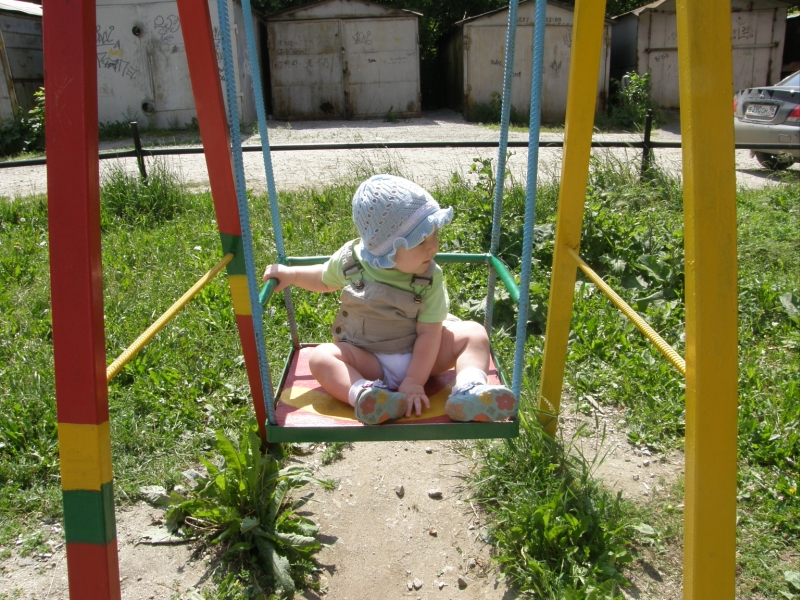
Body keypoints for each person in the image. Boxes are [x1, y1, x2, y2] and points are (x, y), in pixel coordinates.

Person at [263, 174, 517, 425]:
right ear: (387, 247)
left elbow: (429, 333)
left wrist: (414, 381)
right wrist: (293, 275)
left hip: (421, 356)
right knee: (321, 357)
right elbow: (324, 279)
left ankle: (470, 391)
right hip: (369, 359)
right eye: (421, 241)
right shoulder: (352, 261)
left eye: (435, 235)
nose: (433, 247)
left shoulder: (430, 277)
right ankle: (366, 395)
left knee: (473, 333)